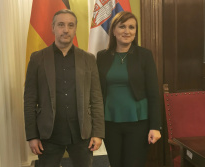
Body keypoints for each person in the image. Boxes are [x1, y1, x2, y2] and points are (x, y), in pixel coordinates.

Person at [24, 9, 104, 167]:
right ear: (53, 27)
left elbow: (96, 98)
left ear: (75, 29)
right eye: (61, 25)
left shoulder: (88, 59)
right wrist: (32, 136)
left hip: (82, 134)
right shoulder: (37, 59)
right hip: (49, 134)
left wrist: (98, 133)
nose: (66, 29)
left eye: (70, 25)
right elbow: (29, 100)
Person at [96, 11, 161, 167]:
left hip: (138, 122)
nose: (127, 31)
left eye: (132, 27)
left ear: (135, 31)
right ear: (113, 30)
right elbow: (97, 93)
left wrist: (155, 127)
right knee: (115, 164)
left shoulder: (144, 55)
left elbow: (153, 93)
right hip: (110, 122)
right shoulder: (102, 56)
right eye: (122, 26)